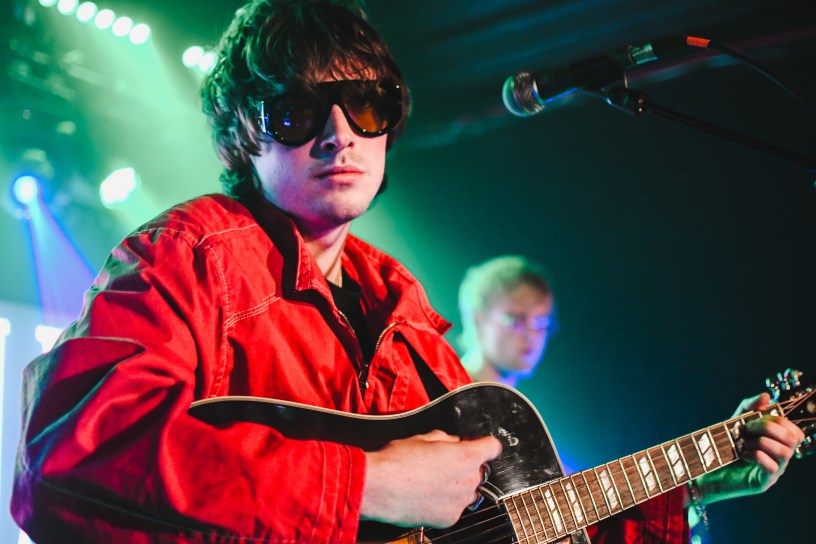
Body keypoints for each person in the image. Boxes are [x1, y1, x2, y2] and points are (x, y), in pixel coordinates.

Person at [10, 2, 802, 543]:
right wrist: (363, 484)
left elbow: (516, 522)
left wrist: (693, 486)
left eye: (366, 105)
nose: (339, 134)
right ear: (243, 136)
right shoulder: (190, 256)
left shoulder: (405, 314)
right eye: (297, 111)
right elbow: (67, 459)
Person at [457, 255, 806, 542]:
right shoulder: (437, 395)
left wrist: (707, 483)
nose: (531, 336)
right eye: (515, 319)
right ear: (476, 316)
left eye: (541, 323)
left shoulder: (534, 431)